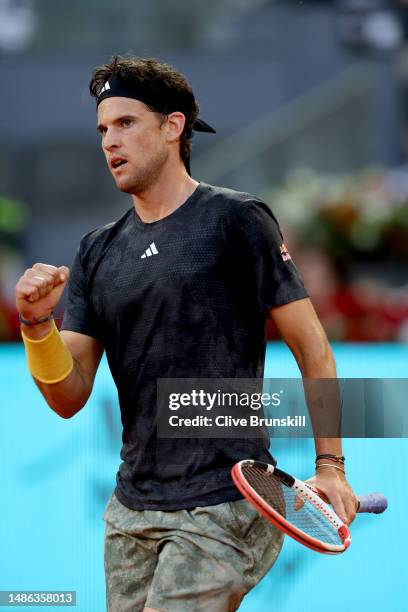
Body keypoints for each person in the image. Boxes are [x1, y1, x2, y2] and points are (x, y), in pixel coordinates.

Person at [15, 56, 357, 612]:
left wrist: (331, 468)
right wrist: (36, 325)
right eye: (103, 129)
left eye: (126, 123)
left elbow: (313, 349)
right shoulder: (97, 251)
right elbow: (68, 396)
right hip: (130, 510)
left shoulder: (237, 220)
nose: (110, 141)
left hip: (228, 498)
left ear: (173, 127)